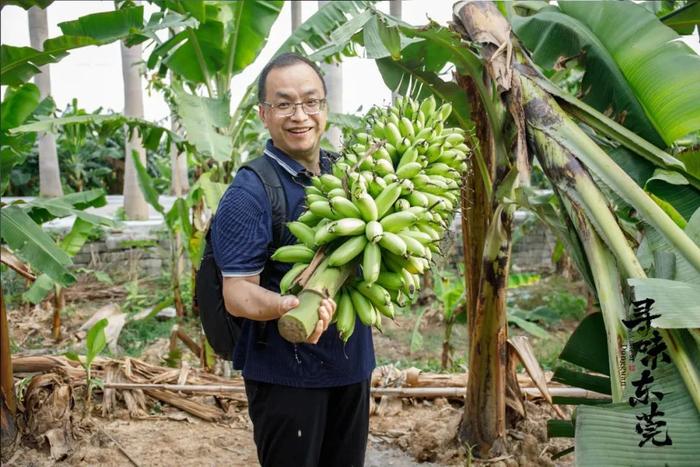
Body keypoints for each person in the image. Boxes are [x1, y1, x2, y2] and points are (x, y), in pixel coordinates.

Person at [211, 53, 375, 467]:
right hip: (286, 377)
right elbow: (237, 293)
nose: (299, 115)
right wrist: (286, 305)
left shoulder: (349, 176)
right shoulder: (250, 192)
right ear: (264, 114)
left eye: (310, 102)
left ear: (325, 109)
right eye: (283, 104)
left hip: (351, 366)